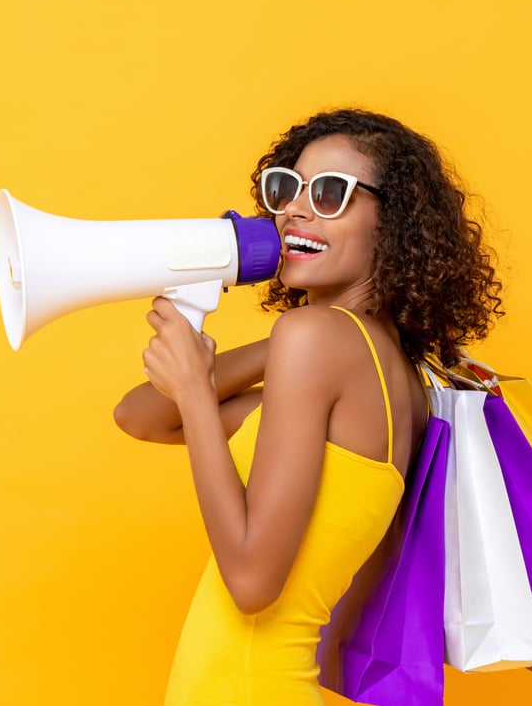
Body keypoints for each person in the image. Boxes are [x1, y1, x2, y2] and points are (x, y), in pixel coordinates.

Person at [113, 108, 503, 705]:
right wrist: (241, 357)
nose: (295, 209)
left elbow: (251, 583)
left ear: (391, 223)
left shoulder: (317, 340)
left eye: (330, 193)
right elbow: (140, 416)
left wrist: (196, 386)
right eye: (286, 187)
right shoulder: (376, 362)